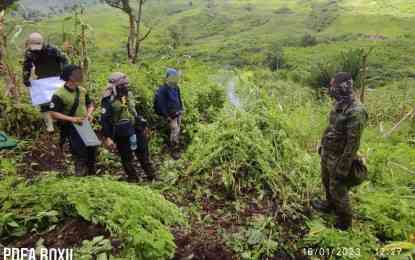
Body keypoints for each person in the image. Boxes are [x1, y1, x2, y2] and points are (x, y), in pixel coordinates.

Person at [312, 72, 368, 230]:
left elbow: (353, 144)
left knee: (338, 188)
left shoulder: (356, 111)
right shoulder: (339, 104)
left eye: (334, 86)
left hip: (340, 157)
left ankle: (344, 222)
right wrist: (322, 144)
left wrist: (343, 167)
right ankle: (329, 204)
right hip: (328, 152)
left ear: (344, 87)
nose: (331, 89)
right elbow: (331, 126)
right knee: (326, 180)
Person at [101, 72, 155, 182]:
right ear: (115, 86)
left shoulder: (126, 95)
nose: (125, 87)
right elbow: (105, 119)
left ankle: (152, 176)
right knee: (126, 157)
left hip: (135, 128)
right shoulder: (108, 99)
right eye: (122, 85)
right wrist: (108, 137)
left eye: (126, 84)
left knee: (143, 153)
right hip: (121, 132)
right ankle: (133, 178)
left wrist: (142, 124)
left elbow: (132, 111)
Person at [49, 65, 96, 176]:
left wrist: (89, 114)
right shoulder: (59, 94)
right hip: (72, 127)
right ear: (69, 76)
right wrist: (72, 119)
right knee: (79, 152)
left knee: (92, 150)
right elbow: (53, 113)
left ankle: (92, 176)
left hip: (85, 125)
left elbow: (90, 104)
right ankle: (80, 177)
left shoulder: (82, 90)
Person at [23, 32, 68, 133]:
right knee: (43, 102)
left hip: (57, 77)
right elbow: (27, 66)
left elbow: (64, 60)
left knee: (59, 100)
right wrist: (25, 79)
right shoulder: (29, 52)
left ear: (42, 42)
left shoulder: (53, 49)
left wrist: (66, 72)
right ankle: (49, 125)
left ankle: (63, 120)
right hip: (42, 79)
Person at [154, 68, 184, 159]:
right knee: (174, 130)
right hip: (170, 115)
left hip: (178, 113)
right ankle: (174, 150)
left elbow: (179, 99)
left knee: (177, 130)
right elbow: (160, 103)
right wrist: (166, 115)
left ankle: (176, 146)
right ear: (167, 78)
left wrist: (181, 109)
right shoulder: (163, 89)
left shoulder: (176, 87)